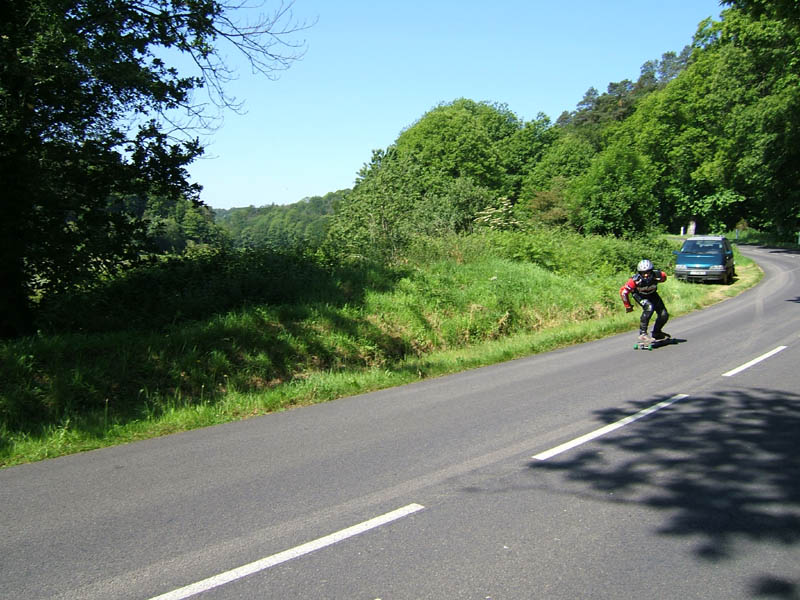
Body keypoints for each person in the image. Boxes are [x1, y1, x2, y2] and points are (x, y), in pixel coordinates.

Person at [620, 259, 670, 342]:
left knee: (664, 314)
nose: (646, 275)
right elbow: (623, 292)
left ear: (651, 271)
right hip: (640, 296)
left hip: (652, 294)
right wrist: (628, 306)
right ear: (639, 273)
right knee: (649, 308)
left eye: (648, 272)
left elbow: (664, 277)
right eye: (643, 273)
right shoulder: (634, 281)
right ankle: (642, 334)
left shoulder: (659, 275)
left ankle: (657, 332)